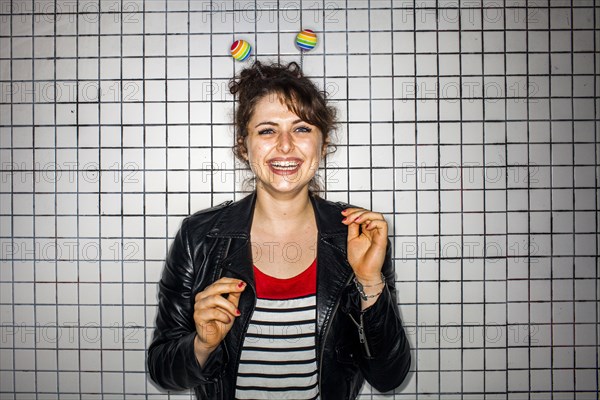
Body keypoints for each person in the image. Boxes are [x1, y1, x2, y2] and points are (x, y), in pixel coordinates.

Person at [147, 61, 411, 399]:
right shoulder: (199, 236)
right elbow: (162, 370)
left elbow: (389, 376)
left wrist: (371, 283)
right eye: (267, 130)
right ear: (244, 146)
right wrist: (202, 344)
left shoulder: (359, 236)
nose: (285, 146)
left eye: (302, 129)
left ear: (323, 144)